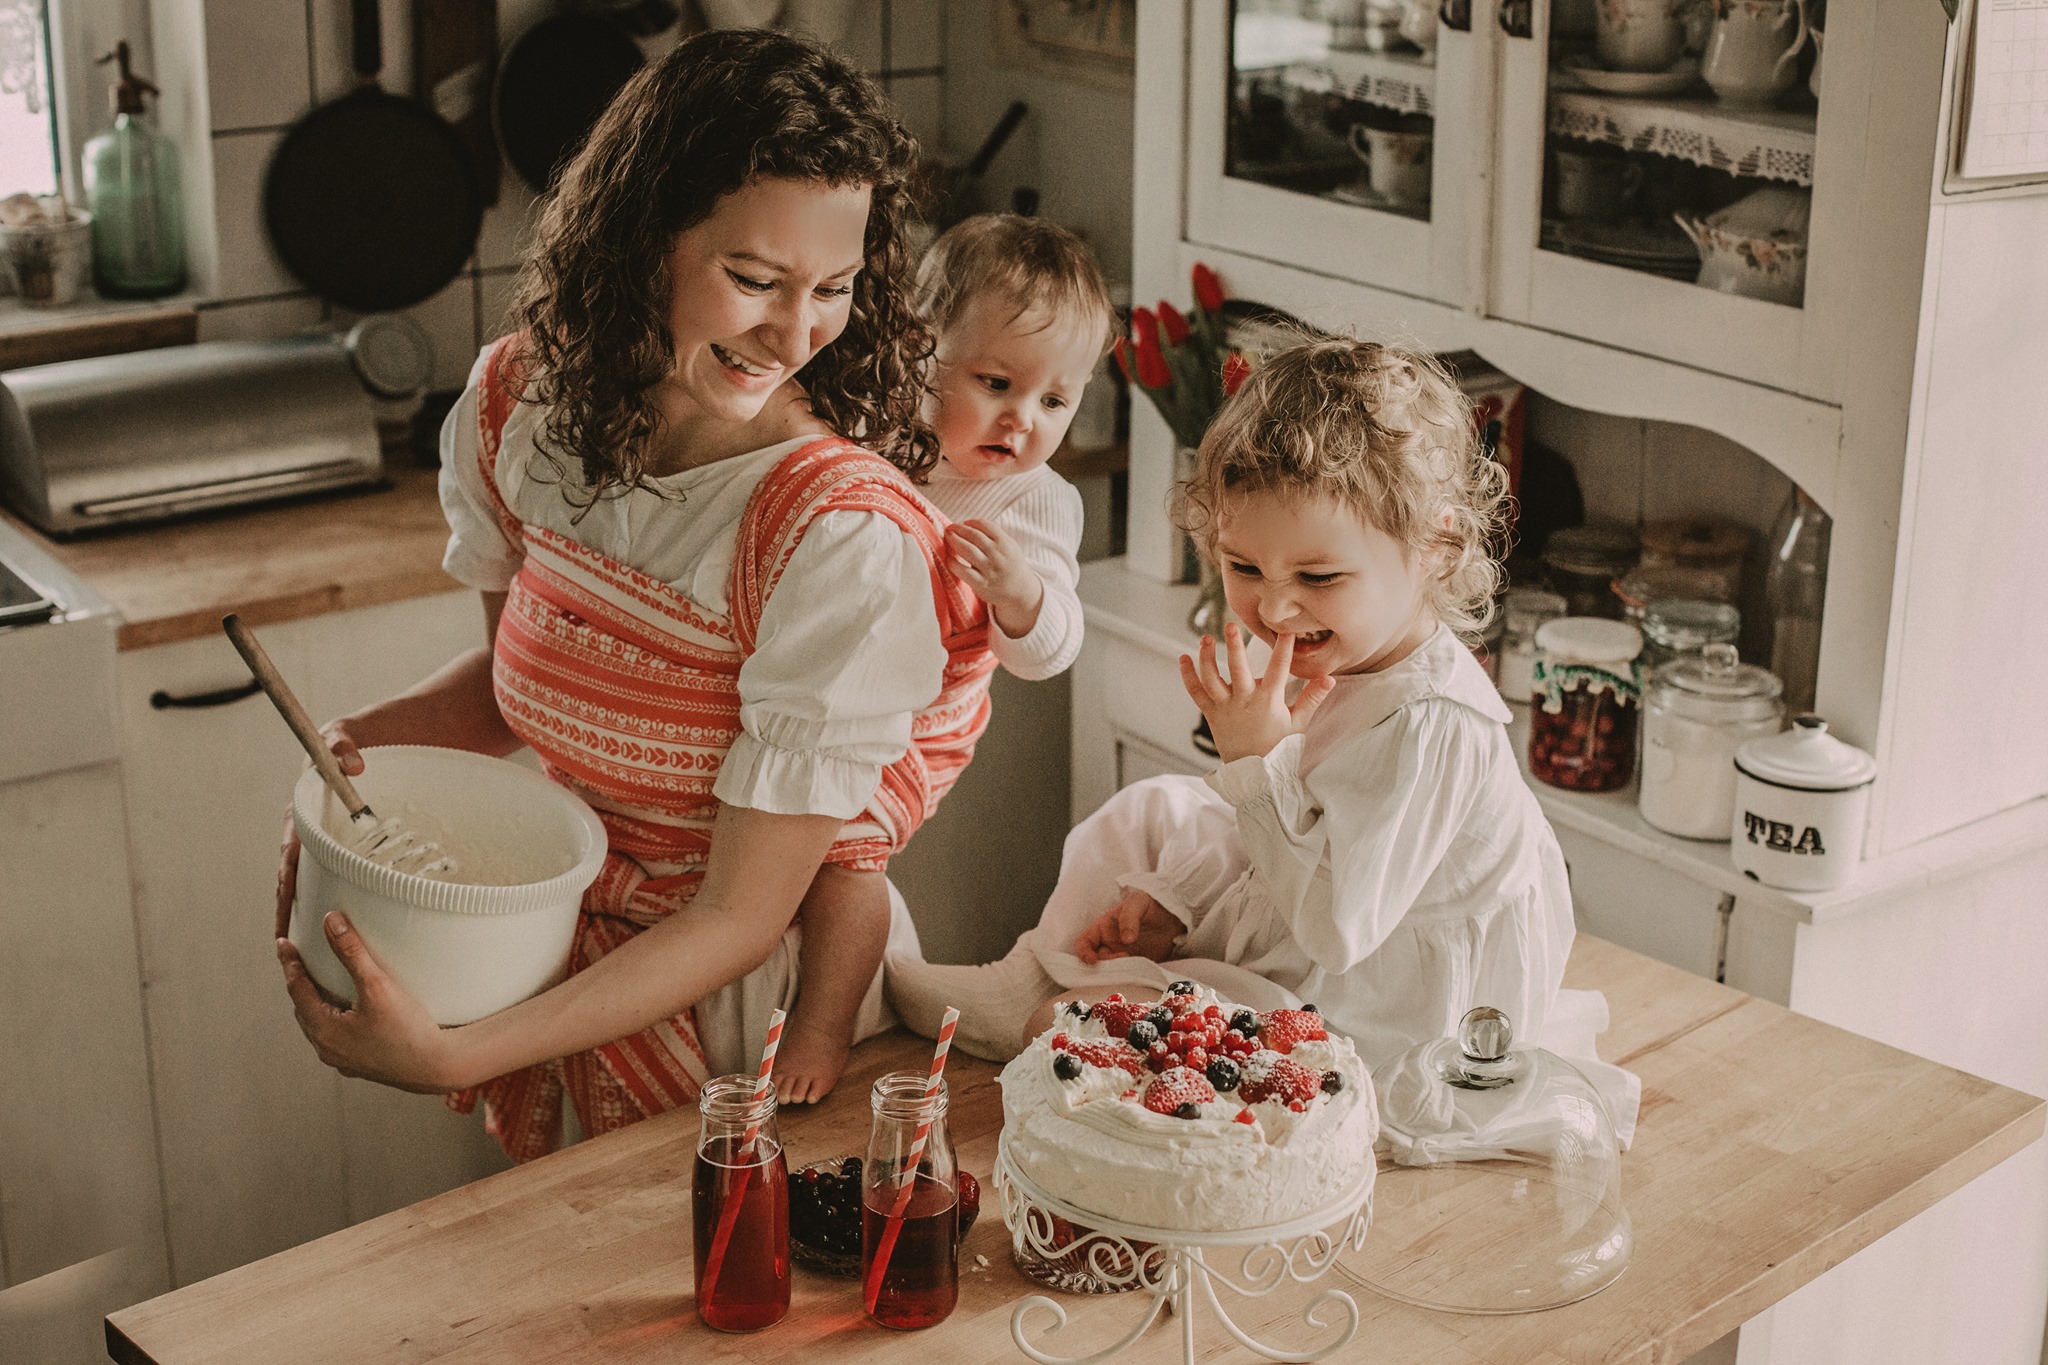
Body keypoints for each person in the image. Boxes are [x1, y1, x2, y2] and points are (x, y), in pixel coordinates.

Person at [273, 29, 990, 1161]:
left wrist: (459, 1053)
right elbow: (529, 683)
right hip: (551, 972)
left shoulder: (833, 538)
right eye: (751, 279)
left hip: (745, 1035)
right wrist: (362, 742)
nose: (793, 332)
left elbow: (736, 917)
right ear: (640, 238)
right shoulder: (521, 408)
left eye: (834, 289)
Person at [887, 337, 1635, 1139]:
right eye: (1244, 567)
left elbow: (1338, 929)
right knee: (1155, 807)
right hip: (1309, 893)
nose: (1275, 611)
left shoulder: (1431, 725)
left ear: (1434, 550)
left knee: (1066, 1027)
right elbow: (1271, 823)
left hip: (1379, 1006)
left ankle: (1062, 1007)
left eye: (1317, 578)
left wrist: (1257, 758)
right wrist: (1174, 895)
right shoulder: (1346, 650)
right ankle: (1032, 971)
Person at [775, 212, 1114, 1101]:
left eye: (1055, 400)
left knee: (848, 856)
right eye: (996, 381)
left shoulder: (1035, 503)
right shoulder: (884, 440)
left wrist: (1022, 597)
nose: (1023, 421)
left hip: (917, 722)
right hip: (832, 684)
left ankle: (823, 1030)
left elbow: (1051, 650)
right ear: (920, 351)